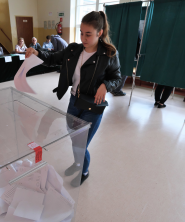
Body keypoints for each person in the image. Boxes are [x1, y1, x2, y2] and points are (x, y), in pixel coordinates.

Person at [25, 11, 121, 186]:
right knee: (74, 139)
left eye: (88, 34)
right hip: (74, 102)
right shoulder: (73, 50)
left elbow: (116, 77)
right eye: (81, 33)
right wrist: (37, 53)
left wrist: (105, 85)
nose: (83, 38)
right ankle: (78, 163)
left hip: (93, 105)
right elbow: (52, 58)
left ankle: (84, 170)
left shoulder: (108, 54)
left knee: (81, 143)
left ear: (99, 33)